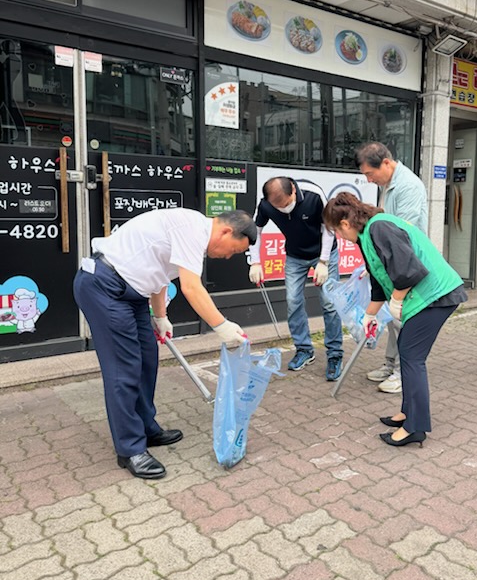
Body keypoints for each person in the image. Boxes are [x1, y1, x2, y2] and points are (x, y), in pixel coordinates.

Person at [73, 208, 256, 480]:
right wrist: (222, 326)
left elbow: (160, 277)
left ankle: (146, 427)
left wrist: (161, 317)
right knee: (124, 370)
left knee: (147, 359)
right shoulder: (192, 228)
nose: (228, 256)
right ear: (226, 231)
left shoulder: (193, 235)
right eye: (233, 250)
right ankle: (130, 449)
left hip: (133, 294)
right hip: (105, 286)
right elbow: (191, 288)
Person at [323, 192, 466, 448]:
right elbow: (379, 280)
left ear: (344, 224)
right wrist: (370, 314)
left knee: (412, 356)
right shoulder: (366, 236)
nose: (339, 237)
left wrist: (397, 301)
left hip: (437, 294)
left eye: (336, 231)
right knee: (407, 352)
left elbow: (408, 270)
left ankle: (415, 427)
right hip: (426, 296)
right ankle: (406, 413)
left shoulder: (380, 227)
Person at [248, 176, 343, 380]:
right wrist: (255, 262)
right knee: (293, 301)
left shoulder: (314, 195)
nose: (284, 209)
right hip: (295, 256)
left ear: (293, 190)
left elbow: (329, 228)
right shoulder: (266, 204)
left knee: (329, 303)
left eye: (287, 204)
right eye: (278, 207)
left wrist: (324, 262)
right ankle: (304, 350)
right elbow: (255, 232)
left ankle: (335, 355)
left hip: (324, 254)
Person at [355, 142, 428, 394]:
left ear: (386, 162)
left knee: (403, 320)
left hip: (407, 264)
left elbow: (401, 231)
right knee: (392, 319)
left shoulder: (409, 186)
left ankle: (401, 373)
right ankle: (390, 365)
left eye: (370, 173)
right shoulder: (388, 184)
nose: (369, 179)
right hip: (393, 262)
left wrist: (380, 262)